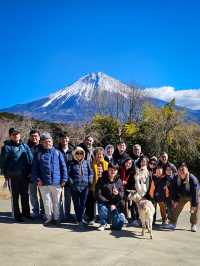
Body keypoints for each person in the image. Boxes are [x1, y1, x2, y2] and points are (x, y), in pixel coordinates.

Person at [32, 132, 68, 226]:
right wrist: (38, 180)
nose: (49, 143)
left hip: (57, 183)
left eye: (50, 141)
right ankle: (49, 218)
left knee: (56, 202)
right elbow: (34, 169)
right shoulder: (39, 154)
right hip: (44, 183)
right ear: (42, 143)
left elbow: (63, 167)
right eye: (46, 141)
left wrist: (64, 179)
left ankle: (56, 218)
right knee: (46, 202)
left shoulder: (57, 153)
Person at [0, 128, 33, 222]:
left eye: (17, 134)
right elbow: (2, 163)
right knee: (15, 196)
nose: (16, 136)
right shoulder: (7, 147)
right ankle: (17, 215)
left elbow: (30, 159)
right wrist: (6, 175)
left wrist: (30, 171)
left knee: (25, 195)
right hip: (12, 175)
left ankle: (26, 213)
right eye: (14, 134)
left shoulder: (25, 146)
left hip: (24, 175)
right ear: (10, 136)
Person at [167, 163, 200, 232]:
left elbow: (195, 193)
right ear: (178, 171)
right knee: (176, 207)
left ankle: (193, 224)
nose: (182, 171)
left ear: (187, 170)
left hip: (192, 195)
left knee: (195, 208)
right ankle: (173, 223)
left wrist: (193, 205)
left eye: (183, 170)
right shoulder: (175, 178)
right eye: (180, 170)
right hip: (182, 195)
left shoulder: (193, 179)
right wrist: (175, 200)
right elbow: (174, 190)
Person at [95, 163, 125, 231]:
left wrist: (117, 193)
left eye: (115, 170)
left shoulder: (119, 181)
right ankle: (103, 223)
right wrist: (109, 203)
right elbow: (98, 194)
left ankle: (118, 220)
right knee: (102, 208)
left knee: (118, 227)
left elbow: (122, 194)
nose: (113, 171)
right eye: (111, 169)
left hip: (115, 205)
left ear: (117, 171)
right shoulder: (101, 179)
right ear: (108, 170)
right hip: (105, 203)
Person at [68, 146, 93, 224]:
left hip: (85, 187)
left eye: (81, 153)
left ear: (83, 154)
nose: (79, 154)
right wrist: (71, 182)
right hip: (75, 186)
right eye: (77, 153)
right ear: (74, 154)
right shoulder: (71, 163)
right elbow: (67, 174)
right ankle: (78, 219)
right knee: (76, 204)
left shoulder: (87, 162)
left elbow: (91, 173)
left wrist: (89, 180)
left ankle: (80, 218)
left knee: (83, 203)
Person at [84, 147, 108, 224]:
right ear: (94, 155)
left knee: (102, 203)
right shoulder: (91, 164)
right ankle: (92, 218)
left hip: (103, 187)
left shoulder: (106, 164)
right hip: (93, 186)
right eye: (97, 154)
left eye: (101, 154)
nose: (99, 156)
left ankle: (102, 218)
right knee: (91, 203)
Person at [27, 129, 45, 219]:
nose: (34, 137)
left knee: (42, 194)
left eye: (36, 136)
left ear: (39, 137)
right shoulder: (27, 148)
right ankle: (35, 211)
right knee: (32, 194)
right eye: (32, 136)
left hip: (42, 176)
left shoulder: (43, 147)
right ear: (30, 137)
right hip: (31, 175)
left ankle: (43, 211)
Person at [57, 132, 74, 222]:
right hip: (58, 177)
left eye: (66, 138)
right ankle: (60, 215)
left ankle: (67, 214)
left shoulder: (73, 150)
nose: (65, 140)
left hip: (69, 178)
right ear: (60, 140)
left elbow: (74, 165)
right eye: (63, 138)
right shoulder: (56, 150)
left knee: (68, 197)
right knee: (58, 197)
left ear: (68, 139)